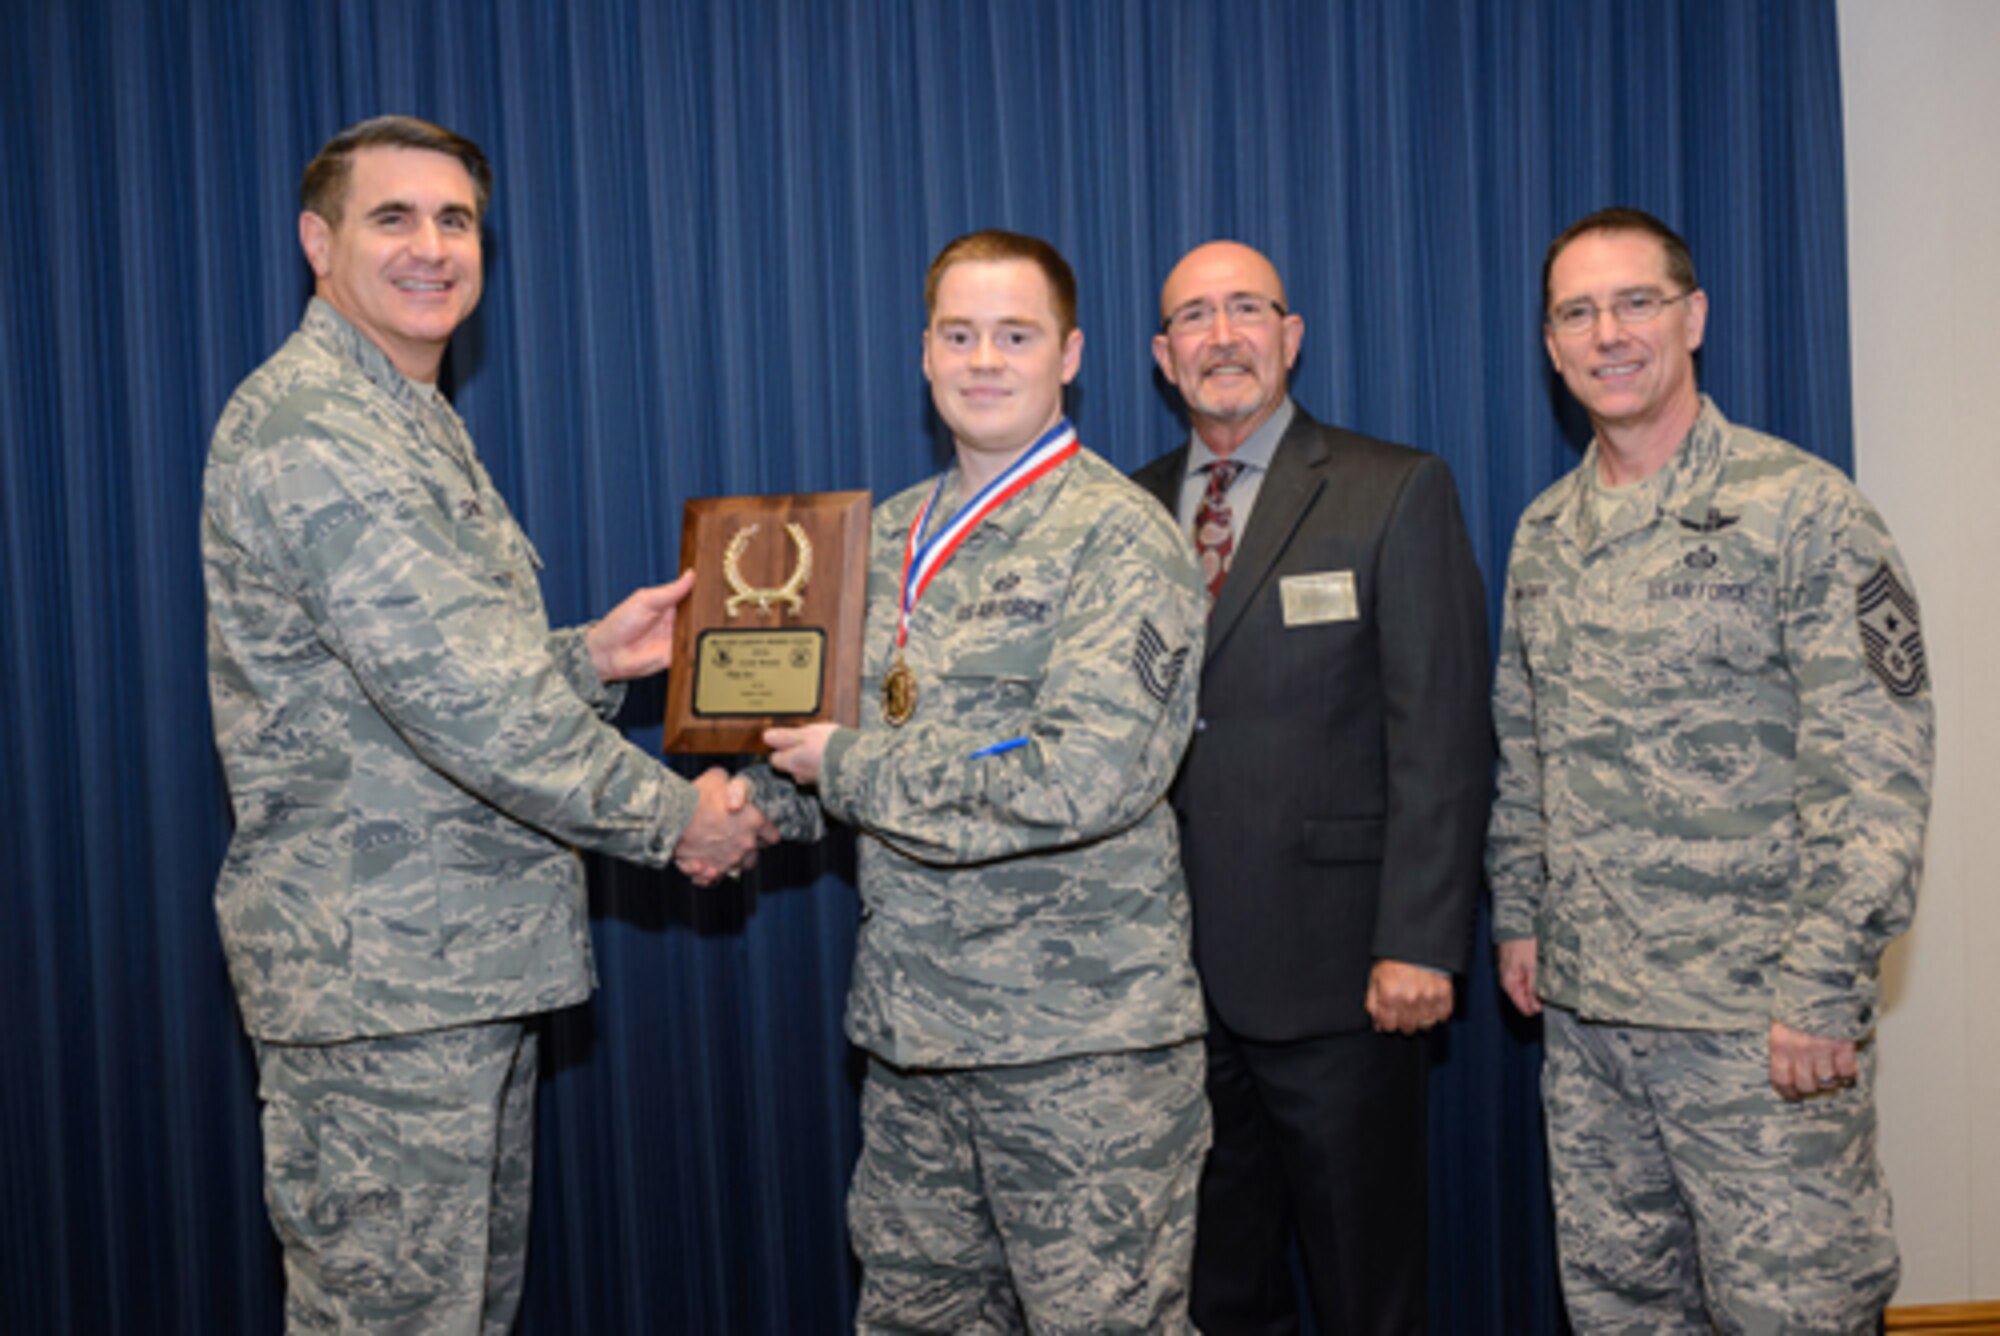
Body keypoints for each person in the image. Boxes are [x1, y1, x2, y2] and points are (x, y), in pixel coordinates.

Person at [201, 115, 772, 1332]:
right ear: (318, 240)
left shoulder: (406, 414)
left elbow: (419, 679)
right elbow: (465, 705)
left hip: (444, 976)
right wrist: (680, 818)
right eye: (391, 217)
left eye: (454, 219)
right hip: (384, 991)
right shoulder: (318, 429)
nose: (431, 248)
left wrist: (590, 657)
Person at [753, 229, 1210, 1332]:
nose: (984, 360)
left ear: (1070, 355)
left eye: (1015, 335)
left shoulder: (1120, 538)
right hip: (913, 1045)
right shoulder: (878, 537)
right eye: (958, 335)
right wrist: (728, 813)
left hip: (1077, 1055)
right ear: (922, 353)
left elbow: (1081, 777)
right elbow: (820, 744)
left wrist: (845, 765)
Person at [1488, 206, 1934, 1333]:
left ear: (1691, 317)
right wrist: (1518, 913)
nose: (1607, 334)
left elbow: (1872, 767)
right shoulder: (1544, 534)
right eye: (1575, 313)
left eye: (1634, 301)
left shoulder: (1802, 511)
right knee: (1622, 1312)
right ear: (1550, 345)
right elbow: (1523, 746)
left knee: (1795, 1314)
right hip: (1591, 1033)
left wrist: (1822, 982)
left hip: (1759, 1038)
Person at [1132, 241, 1491, 1334]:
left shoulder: (1394, 488)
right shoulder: (1120, 512)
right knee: (1212, 1291)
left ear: (1290, 336)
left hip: (1341, 974)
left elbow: (1439, 732)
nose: (1221, 334)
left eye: (1247, 308)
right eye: (1194, 316)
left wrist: (1421, 939)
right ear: (1161, 356)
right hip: (1157, 984)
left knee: (1359, 1283)